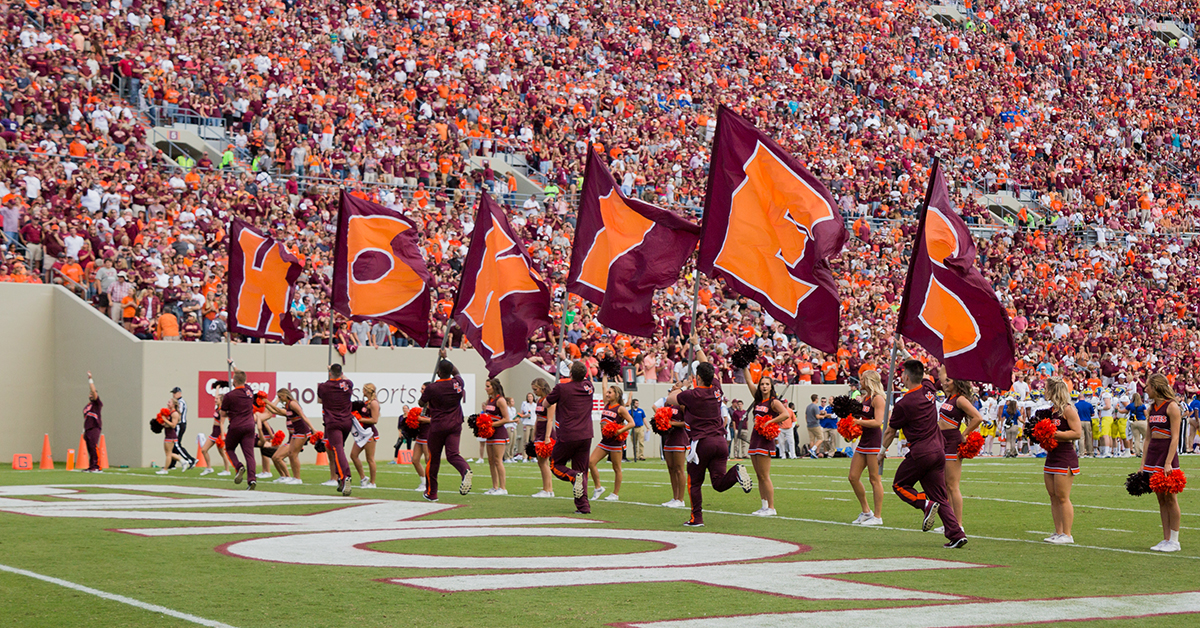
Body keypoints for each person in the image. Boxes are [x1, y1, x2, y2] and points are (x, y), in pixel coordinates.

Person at [879, 360, 967, 548]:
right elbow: (924, 374)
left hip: (922, 452)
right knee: (939, 496)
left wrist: (881, 452)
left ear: (906, 377)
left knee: (899, 485)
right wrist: (904, 351)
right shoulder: (928, 389)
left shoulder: (904, 403)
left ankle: (924, 505)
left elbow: (889, 431)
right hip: (939, 449)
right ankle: (956, 533)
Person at [667, 349, 753, 527]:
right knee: (719, 483)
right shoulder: (716, 388)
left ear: (698, 378)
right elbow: (707, 365)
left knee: (695, 482)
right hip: (721, 442)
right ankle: (736, 471)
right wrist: (696, 346)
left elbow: (670, 398)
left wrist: (681, 387)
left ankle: (696, 518)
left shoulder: (692, 395)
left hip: (702, 443)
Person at [418, 353, 473, 501]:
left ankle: (432, 493)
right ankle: (465, 470)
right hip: (455, 424)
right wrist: (446, 358)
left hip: (438, 426)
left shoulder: (433, 387)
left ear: (438, 372)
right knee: (453, 454)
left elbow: (421, 403)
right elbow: (457, 372)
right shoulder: (458, 383)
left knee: (434, 459)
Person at [546, 361, 595, 514]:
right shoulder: (589, 387)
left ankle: (573, 476)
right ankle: (583, 507)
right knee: (582, 470)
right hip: (586, 434)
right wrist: (566, 360)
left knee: (555, 465)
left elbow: (547, 403)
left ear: (571, 374)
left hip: (568, 434)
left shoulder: (562, 388)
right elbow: (584, 375)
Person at [937, 373, 984, 531]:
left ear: (956, 383)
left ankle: (958, 525)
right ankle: (950, 523)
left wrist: (964, 434)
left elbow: (978, 417)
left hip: (952, 442)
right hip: (942, 441)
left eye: (948, 380)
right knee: (945, 485)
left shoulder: (960, 399)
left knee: (952, 485)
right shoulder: (949, 398)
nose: (945, 383)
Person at [1143, 373, 1183, 552]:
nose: (1145, 389)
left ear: (1156, 386)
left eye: (1148, 386)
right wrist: (1143, 463)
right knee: (1160, 498)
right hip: (1153, 454)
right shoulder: (1151, 408)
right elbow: (1147, 437)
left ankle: (1175, 540)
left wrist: (1168, 462)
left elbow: (1175, 437)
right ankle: (1166, 539)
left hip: (1167, 454)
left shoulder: (1172, 407)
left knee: (1171, 498)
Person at [1041, 377, 1082, 545]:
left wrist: (1054, 434)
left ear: (1053, 390)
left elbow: (1077, 433)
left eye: (1046, 388)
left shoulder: (1068, 409)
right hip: (1052, 455)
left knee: (1063, 497)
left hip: (1065, 456)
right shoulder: (1051, 410)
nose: (1044, 391)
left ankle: (1067, 534)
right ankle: (1058, 532)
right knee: (1053, 496)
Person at [744, 366, 788, 517]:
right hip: (755, 438)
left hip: (765, 440)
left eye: (767, 384)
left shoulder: (774, 402)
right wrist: (744, 366)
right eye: (762, 384)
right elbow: (749, 381)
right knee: (758, 475)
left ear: (771, 386)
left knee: (764, 475)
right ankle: (763, 506)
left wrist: (770, 422)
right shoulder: (757, 400)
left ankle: (771, 507)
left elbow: (785, 414)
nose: (764, 386)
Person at [848, 370, 886, 526]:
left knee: (874, 479)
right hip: (864, 440)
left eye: (862, 379)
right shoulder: (865, 398)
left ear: (870, 380)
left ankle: (877, 517)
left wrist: (858, 423)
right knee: (853, 477)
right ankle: (866, 511)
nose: (860, 381)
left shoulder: (878, 399)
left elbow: (878, 422)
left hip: (874, 442)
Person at [588, 382, 633, 502]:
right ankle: (598, 487)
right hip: (604, 441)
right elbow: (603, 386)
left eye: (610, 392)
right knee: (591, 462)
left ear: (617, 394)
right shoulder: (606, 404)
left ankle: (615, 494)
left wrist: (619, 431)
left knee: (616, 468)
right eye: (607, 392)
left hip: (615, 443)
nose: (607, 394)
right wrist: (605, 374)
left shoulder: (620, 408)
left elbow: (631, 423)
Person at [319, 363, 356, 496]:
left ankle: (345, 475)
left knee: (337, 449)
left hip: (333, 422)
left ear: (330, 373)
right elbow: (344, 378)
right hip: (346, 422)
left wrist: (329, 374)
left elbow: (319, 399)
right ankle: (341, 477)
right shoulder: (348, 384)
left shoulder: (323, 386)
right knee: (338, 449)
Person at [220, 364, 259, 490]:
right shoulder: (249, 391)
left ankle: (238, 466)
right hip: (250, 426)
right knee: (250, 455)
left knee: (229, 448)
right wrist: (234, 365)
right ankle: (252, 479)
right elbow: (242, 377)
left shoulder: (229, 396)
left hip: (236, 426)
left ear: (234, 381)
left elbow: (223, 413)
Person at [481, 379, 516, 495]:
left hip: (499, 433)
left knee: (498, 460)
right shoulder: (489, 400)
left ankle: (503, 488)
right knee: (491, 461)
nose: (486, 388)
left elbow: (505, 419)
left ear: (494, 387)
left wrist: (490, 424)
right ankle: (495, 486)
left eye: (488, 386)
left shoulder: (500, 400)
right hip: (490, 433)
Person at [271, 388, 312, 484]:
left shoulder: (292, 405)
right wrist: (266, 403)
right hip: (294, 437)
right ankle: (288, 477)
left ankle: (295, 478)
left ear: (285, 395)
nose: (280, 399)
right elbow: (274, 410)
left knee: (291, 455)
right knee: (280, 456)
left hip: (301, 434)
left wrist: (313, 429)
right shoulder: (288, 410)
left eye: (280, 397)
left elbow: (303, 416)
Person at [657, 390, 689, 509]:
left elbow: (687, 423)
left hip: (679, 438)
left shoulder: (683, 405)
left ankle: (681, 499)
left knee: (679, 469)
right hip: (669, 438)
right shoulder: (667, 405)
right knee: (671, 468)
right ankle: (674, 497)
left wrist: (672, 423)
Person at [199, 380, 232, 477]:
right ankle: (209, 468)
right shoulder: (217, 407)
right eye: (216, 398)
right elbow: (216, 396)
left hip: (217, 433)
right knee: (204, 450)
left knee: (221, 452)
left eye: (217, 399)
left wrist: (222, 435)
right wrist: (217, 387)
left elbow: (222, 423)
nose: (215, 399)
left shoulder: (222, 410)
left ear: (221, 400)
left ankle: (227, 470)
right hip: (214, 432)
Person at [351, 383, 381, 489]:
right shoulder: (365, 402)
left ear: (367, 390)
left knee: (370, 458)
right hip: (362, 433)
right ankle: (363, 477)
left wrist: (359, 419)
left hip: (370, 433)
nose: (362, 391)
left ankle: (373, 483)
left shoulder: (374, 403)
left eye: (363, 389)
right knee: (353, 455)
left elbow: (374, 420)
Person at [529, 378, 555, 498]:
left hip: (546, 431)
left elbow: (550, 419)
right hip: (539, 430)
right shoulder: (539, 400)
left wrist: (547, 437)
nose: (534, 392)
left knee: (544, 462)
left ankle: (548, 489)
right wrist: (534, 434)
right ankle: (547, 489)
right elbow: (537, 418)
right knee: (541, 462)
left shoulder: (549, 400)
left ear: (542, 388)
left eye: (535, 389)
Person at [167, 387, 196, 470]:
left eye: (175, 393)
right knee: (174, 445)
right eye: (173, 393)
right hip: (178, 424)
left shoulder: (181, 402)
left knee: (177, 444)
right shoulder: (178, 402)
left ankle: (190, 460)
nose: (174, 395)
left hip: (180, 424)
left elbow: (178, 413)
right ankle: (172, 464)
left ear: (180, 393)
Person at [155, 400, 184, 474]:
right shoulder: (169, 413)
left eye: (169, 402)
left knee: (168, 454)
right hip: (168, 435)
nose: (167, 404)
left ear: (173, 404)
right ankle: (183, 461)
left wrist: (165, 420)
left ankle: (165, 469)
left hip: (171, 436)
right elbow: (168, 425)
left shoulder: (175, 413)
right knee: (168, 453)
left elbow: (173, 425)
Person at [82, 372, 102, 473]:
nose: (91, 395)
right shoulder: (87, 406)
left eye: (92, 394)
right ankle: (91, 466)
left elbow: (93, 391)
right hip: (88, 428)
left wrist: (90, 379)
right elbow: (86, 418)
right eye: (89, 394)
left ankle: (97, 466)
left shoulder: (97, 404)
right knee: (89, 448)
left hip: (95, 427)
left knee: (94, 446)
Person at [1126, 392, 1148, 458]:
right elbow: (1146, 414)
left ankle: (1137, 453)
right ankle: (1145, 451)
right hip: (1142, 422)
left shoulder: (1131, 405)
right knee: (1145, 437)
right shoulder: (1142, 405)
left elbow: (1124, 410)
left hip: (1134, 422)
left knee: (1136, 439)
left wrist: (1118, 409)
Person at [1075, 391, 1095, 457]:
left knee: (1081, 438)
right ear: (1084, 397)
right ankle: (1090, 453)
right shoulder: (1089, 404)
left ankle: (1081, 453)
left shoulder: (1076, 405)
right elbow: (1093, 414)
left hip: (1079, 422)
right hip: (1087, 421)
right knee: (1089, 437)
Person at [803, 394, 822, 459]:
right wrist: (824, 416)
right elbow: (817, 416)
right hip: (815, 425)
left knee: (812, 440)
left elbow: (806, 416)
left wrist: (808, 422)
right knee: (821, 438)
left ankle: (812, 454)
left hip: (809, 425)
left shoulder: (808, 406)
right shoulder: (815, 407)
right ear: (816, 399)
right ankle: (813, 450)